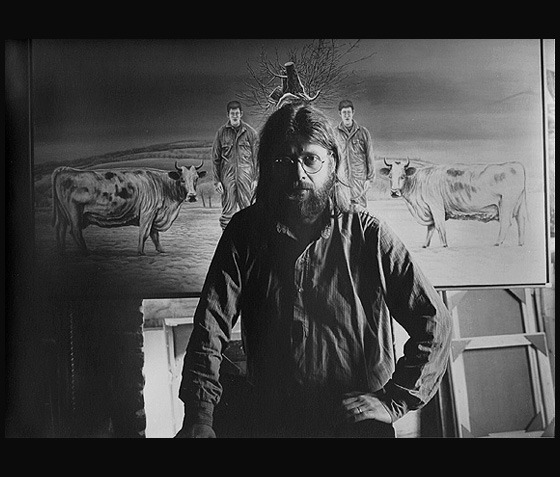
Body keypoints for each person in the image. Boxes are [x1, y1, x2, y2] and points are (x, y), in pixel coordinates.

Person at [177, 102, 452, 438]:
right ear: (267, 166)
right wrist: (200, 416)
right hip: (274, 424)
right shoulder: (244, 234)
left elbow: (434, 322)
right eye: (284, 161)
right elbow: (210, 327)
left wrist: (393, 401)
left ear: (331, 162)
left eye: (310, 159)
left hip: (355, 427)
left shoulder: (369, 235)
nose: (298, 175)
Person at [211, 100, 259, 230]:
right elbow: (215, 159)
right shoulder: (221, 133)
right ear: (228, 115)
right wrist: (217, 181)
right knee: (227, 214)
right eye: (232, 114)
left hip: (246, 179)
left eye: (237, 113)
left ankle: (248, 240)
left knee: (248, 211)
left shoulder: (251, 133)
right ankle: (227, 240)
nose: (235, 116)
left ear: (241, 114)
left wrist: (256, 179)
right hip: (227, 179)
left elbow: (257, 159)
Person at [335, 99, 375, 209]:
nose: (347, 115)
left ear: (353, 112)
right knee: (343, 211)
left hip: (359, 180)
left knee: (360, 212)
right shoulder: (334, 134)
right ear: (340, 114)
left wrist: (369, 179)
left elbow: (370, 157)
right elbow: (332, 158)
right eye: (344, 112)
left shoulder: (363, 133)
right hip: (342, 181)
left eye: (349, 112)